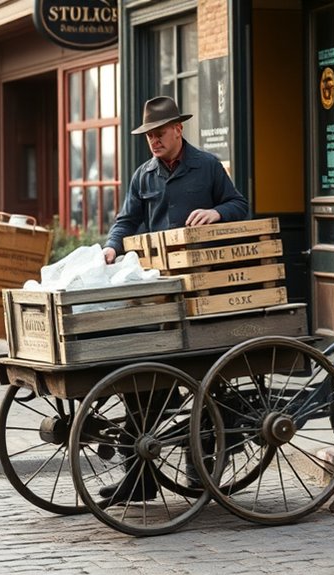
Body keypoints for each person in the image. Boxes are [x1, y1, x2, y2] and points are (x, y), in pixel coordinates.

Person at [100, 96, 248, 503]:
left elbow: (239, 205)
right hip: (158, 292)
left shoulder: (208, 166)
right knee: (140, 382)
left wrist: (217, 213)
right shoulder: (143, 175)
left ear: (178, 130)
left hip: (204, 291)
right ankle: (140, 477)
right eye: (148, 135)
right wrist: (111, 247)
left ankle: (201, 469)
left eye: (160, 133)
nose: (153, 140)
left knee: (204, 387)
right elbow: (126, 221)